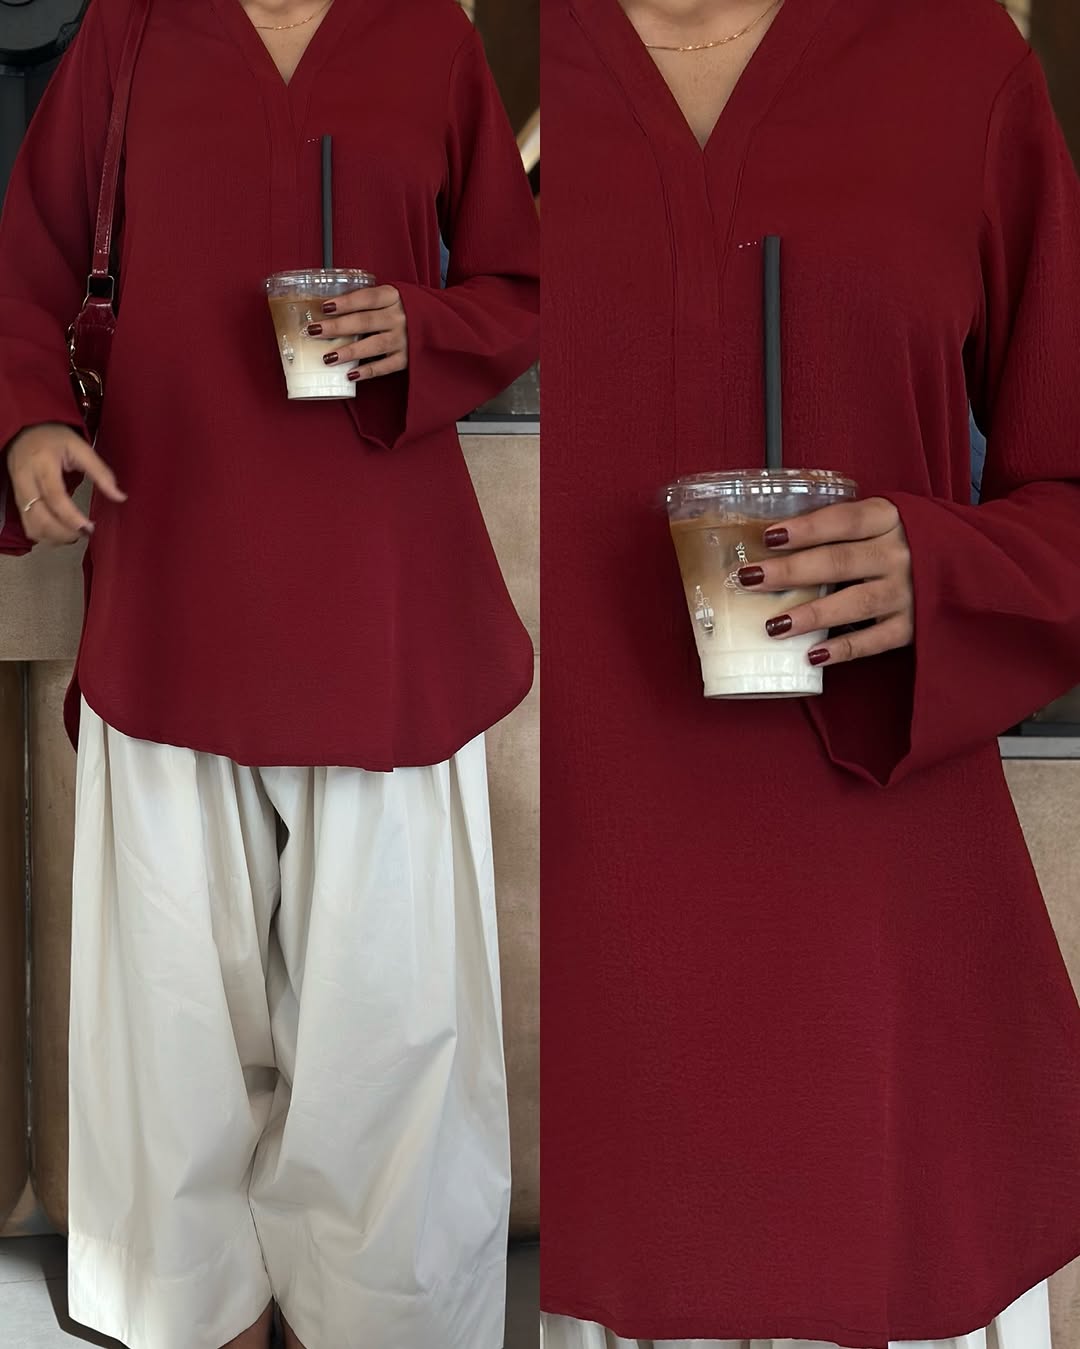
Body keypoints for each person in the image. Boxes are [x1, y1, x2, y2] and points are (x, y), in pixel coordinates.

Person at [540, 1, 1080, 1347]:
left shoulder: (959, 65)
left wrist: (941, 563)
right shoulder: (512, 83)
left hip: (880, 961)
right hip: (591, 946)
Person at [0, 0, 539, 1345]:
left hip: (388, 601)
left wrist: (421, 325)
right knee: (170, 1017)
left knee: (394, 1030)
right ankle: (203, 1318)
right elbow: (26, 266)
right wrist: (30, 421)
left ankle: (373, 1322)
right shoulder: (131, 31)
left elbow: (517, 285)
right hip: (173, 574)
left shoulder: (428, 36)